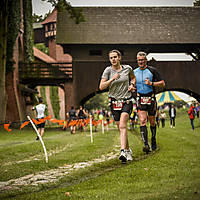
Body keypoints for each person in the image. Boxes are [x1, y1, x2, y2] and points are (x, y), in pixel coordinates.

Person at [99, 49, 135, 163]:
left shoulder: (127, 69)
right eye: (111, 58)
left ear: (119, 58)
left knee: (123, 125)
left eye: (115, 57)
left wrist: (132, 85)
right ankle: (128, 150)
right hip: (114, 102)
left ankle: (123, 151)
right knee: (121, 128)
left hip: (126, 100)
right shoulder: (108, 71)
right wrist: (112, 79)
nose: (113, 59)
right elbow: (101, 86)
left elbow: (133, 77)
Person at [133, 51, 165, 153]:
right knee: (142, 120)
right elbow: (132, 84)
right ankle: (146, 144)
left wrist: (151, 83)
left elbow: (162, 84)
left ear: (146, 60)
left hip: (150, 98)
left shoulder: (152, 70)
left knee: (152, 122)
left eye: (142, 60)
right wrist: (132, 87)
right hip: (140, 98)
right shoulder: (134, 72)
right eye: (139, 60)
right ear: (137, 61)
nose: (140, 62)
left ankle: (153, 139)